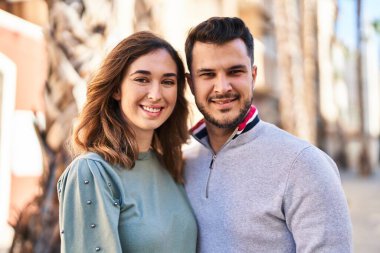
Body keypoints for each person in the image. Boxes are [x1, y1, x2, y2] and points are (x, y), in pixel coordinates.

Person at [183, 17, 352, 253]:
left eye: (235, 72)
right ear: (191, 83)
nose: (222, 87)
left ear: (253, 76)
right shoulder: (184, 161)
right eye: (208, 74)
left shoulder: (303, 164)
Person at [57, 31, 197, 253]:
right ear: (116, 89)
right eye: (142, 79)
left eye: (168, 81)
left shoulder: (171, 167)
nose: (155, 94)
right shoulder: (93, 172)